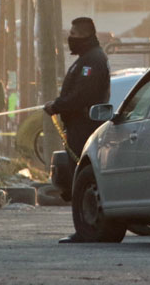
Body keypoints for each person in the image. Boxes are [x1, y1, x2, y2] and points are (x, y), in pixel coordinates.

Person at [44, 16, 110, 244]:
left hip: (85, 127)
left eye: (73, 35)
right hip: (76, 126)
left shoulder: (92, 61)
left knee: (82, 180)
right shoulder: (84, 59)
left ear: (84, 36)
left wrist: (57, 106)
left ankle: (86, 228)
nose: (69, 39)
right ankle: (84, 227)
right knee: (77, 179)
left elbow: (83, 95)